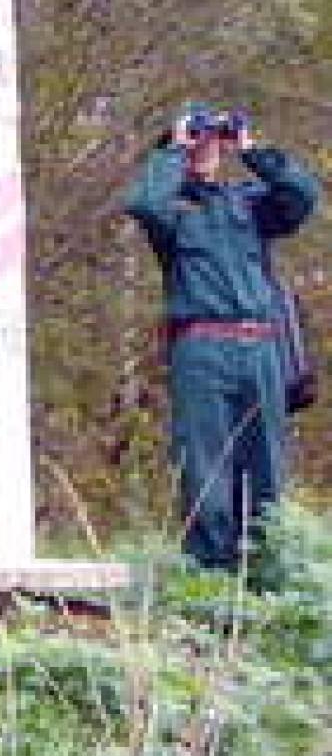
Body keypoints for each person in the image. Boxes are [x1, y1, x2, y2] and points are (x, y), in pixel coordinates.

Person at [125, 103, 319, 572]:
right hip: (202, 347)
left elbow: (303, 197)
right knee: (205, 467)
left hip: (261, 347)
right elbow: (144, 204)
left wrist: (250, 149)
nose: (206, 148)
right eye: (199, 140)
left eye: (211, 141)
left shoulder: (249, 202)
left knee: (267, 466)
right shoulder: (171, 209)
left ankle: (266, 574)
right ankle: (211, 578)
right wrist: (175, 150)